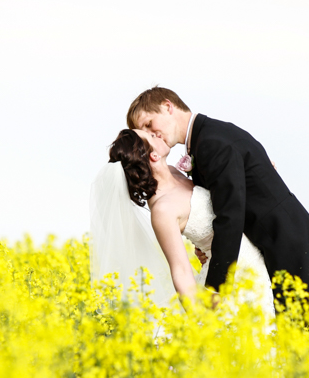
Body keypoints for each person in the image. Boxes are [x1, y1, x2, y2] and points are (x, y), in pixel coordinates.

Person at [127, 87, 309, 302]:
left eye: (148, 124)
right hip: (281, 247)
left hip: (289, 250)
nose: (152, 134)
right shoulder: (209, 137)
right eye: (144, 132)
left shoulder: (212, 143)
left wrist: (217, 288)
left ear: (167, 106)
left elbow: (230, 216)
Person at [90, 128, 273, 312]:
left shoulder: (175, 172)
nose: (158, 133)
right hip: (228, 280)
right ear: (153, 155)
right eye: (152, 136)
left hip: (253, 259)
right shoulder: (162, 209)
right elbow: (181, 271)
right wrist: (200, 320)